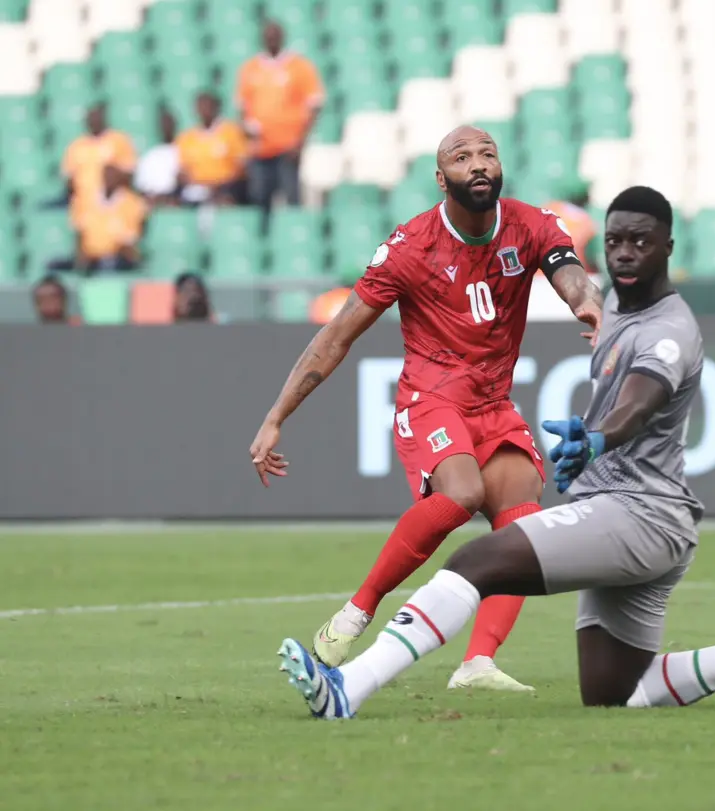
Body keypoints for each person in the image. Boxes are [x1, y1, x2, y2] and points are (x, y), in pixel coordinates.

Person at [274, 186, 715, 718]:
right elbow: (579, 289)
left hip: (640, 512)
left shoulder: (670, 330)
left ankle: (350, 687)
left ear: (668, 248)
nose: (625, 252)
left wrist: (598, 439)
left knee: (474, 563)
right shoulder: (621, 306)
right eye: (615, 241)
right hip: (642, 515)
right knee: (613, 690)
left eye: (641, 241)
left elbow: (641, 398)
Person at [249, 125, 605, 692]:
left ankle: (477, 663)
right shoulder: (411, 247)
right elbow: (338, 335)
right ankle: (355, 614)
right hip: (431, 398)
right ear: (442, 179)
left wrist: (592, 311)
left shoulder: (532, 226)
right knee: (462, 494)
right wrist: (276, 416)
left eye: (488, 153)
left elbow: (573, 280)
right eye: (463, 158)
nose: (479, 164)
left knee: (523, 524)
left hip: (493, 402)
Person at [237, 20, 324, 211]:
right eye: (268, 35)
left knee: (292, 199)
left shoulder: (299, 67)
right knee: (260, 199)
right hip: (260, 148)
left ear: (282, 37)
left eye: (274, 35)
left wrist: (301, 141)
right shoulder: (250, 68)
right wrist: (246, 129)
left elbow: (314, 105)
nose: (271, 39)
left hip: (288, 147)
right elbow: (242, 107)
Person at [67, 165, 147, 273]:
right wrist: (82, 255)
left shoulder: (133, 203)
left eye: (113, 175)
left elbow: (129, 242)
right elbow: (78, 231)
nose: (109, 178)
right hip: (89, 257)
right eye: (106, 175)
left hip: (116, 257)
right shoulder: (84, 199)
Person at [177, 92, 249, 206]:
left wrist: (216, 185)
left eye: (207, 106)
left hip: (226, 187)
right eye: (200, 106)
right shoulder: (187, 138)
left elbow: (241, 166)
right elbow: (182, 169)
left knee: (226, 199)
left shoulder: (231, 132)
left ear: (216, 107)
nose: (204, 110)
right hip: (197, 187)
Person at [60, 103, 137, 207]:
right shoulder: (76, 145)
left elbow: (128, 172)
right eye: (90, 117)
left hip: (112, 201)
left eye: (96, 117)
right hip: (82, 200)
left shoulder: (119, 141)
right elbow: (68, 177)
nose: (94, 120)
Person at [133, 106, 181, 207]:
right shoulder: (150, 155)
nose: (166, 126)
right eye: (164, 123)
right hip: (152, 201)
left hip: (175, 200)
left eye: (169, 123)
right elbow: (141, 186)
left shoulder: (182, 152)